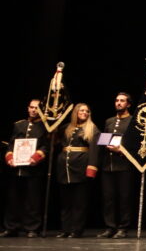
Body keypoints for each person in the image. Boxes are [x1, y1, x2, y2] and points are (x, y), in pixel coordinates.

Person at [1, 99, 48, 238]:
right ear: (28, 108)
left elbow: (46, 146)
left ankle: (32, 228)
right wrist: (10, 157)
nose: (34, 110)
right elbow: (11, 144)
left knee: (32, 200)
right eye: (31, 107)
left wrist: (37, 157)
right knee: (13, 199)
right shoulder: (19, 125)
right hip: (16, 168)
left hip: (34, 168)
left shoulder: (45, 127)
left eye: (37, 108)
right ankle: (11, 227)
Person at [56, 103, 99, 238]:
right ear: (75, 112)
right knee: (65, 202)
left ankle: (76, 229)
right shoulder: (66, 128)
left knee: (79, 202)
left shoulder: (92, 129)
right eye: (82, 110)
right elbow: (54, 138)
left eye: (87, 111)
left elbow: (95, 150)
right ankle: (65, 229)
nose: (85, 113)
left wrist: (91, 168)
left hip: (81, 167)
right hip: (65, 168)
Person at [98, 92, 135, 239]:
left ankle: (123, 227)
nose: (119, 103)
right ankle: (110, 227)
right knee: (108, 198)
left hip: (124, 165)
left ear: (128, 104)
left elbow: (134, 143)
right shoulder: (109, 121)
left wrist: (121, 150)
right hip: (108, 165)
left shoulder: (132, 121)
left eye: (122, 101)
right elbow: (105, 139)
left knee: (124, 198)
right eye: (117, 100)